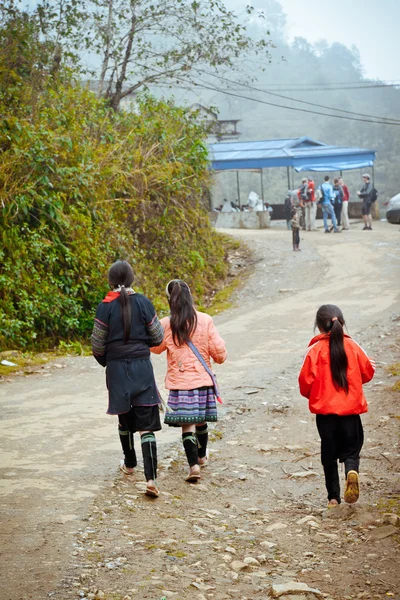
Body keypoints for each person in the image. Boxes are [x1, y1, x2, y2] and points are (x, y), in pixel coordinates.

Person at [91, 260, 164, 498]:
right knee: (146, 424)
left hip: (116, 369)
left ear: (110, 280)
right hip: (142, 367)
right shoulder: (143, 302)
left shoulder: (104, 307)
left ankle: (130, 464)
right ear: (132, 279)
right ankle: (151, 479)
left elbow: (97, 344)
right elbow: (157, 336)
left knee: (124, 417)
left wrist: (110, 363)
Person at [298, 304, 375, 506]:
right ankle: (351, 470)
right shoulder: (354, 346)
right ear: (342, 322)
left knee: (329, 455)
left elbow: (305, 383)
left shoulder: (314, 350)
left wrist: (316, 396)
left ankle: (333, 497)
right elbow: (367, 373)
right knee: (352, 450)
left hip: (326, 416)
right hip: (350, 412)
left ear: (318, 326)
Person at [151, 280, 227, 482]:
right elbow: (219, 354)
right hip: (202, 380)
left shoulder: (167, 324)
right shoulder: (205, 320)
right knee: (201, 421)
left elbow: (155, 347)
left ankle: (193, 465)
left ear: (170, 300)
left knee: (188, 425)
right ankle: (202, 457)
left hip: (181, 383)